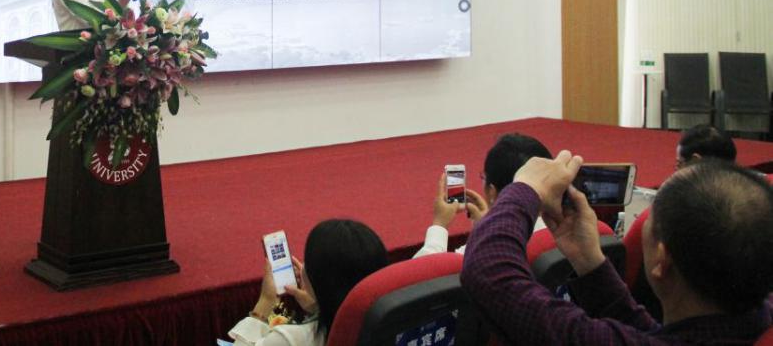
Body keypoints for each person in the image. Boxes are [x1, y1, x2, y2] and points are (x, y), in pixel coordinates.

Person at [460, 150, 773, 345]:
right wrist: (590, 263)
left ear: (661, 260)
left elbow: (489, 274)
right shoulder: (758, 320)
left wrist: (525, 189)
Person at [228, 219, 388, 346]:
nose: (303, 266)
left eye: (308, 262)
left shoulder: (291, 338)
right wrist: (317, 307)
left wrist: (265, 302)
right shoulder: (388, 320)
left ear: (320, 280)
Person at [414, 133, 551, 257]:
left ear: (492, 191)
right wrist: (485, 227)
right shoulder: (557, 232)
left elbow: (425, 273)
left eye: (483, 177)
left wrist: (439, 224)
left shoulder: (486, 248)